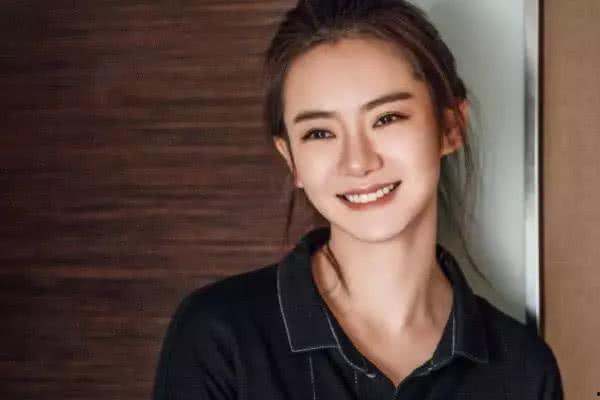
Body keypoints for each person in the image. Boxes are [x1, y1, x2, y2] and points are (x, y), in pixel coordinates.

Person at [152, 1, 564, 399]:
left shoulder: (524, 369)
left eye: (386, 118)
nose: (358, 162)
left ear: (451, 127)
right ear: (291, 158)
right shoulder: (220, 338)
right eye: (319, 133)